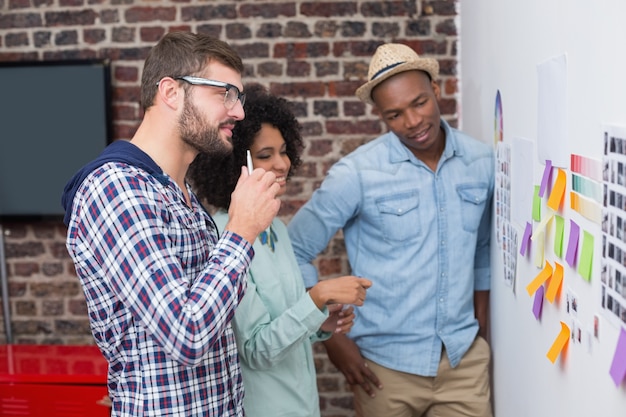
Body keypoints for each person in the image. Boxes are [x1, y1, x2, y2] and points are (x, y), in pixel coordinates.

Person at [61, 32, 281, 417]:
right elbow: (187, 334)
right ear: (171, 92)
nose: (239, 112)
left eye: (238, 97)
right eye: (225, 93)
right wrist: (242, 230)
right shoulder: (117, 188)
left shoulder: (177, 191)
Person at [288, 43, 495, 417]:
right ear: (380, 115)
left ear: (436, 89)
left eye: (419, 103)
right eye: (394, 114)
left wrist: (483, 326)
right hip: (382, 369)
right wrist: (332, 337)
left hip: (464, 364)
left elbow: (482, 247)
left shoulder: (481, 162)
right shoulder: (357, 174)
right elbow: (295, 249)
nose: (412, 122)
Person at [187, 83, 372, 417]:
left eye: (284, 151)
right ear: (234, 163)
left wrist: (320, 323)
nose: (281, 164)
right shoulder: (224, 235)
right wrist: (315, 297)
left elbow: (284, 325)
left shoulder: (276, 229)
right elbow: (256, 350)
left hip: (301, 405)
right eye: (265, 155)